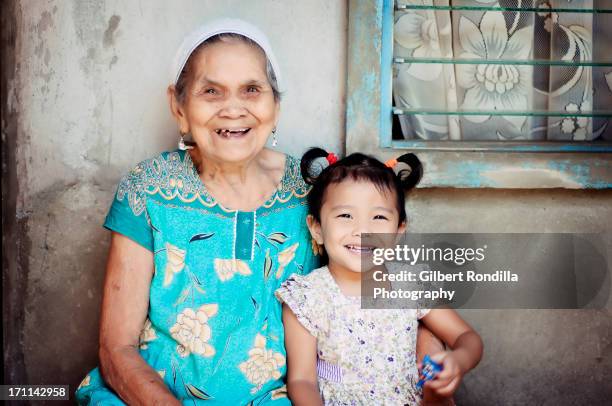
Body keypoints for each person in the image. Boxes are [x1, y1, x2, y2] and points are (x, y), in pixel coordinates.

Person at [75, 19, 319, 405]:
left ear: (276, 104)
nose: (233, 109)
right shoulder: (148, 189)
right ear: (179, 106)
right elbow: (116, 347)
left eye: (252, 90)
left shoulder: (316, 187)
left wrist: (447, 349)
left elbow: (388, 292)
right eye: (211, 92)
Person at [276, 148, 483, 405]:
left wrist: (457, 361)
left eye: (378, 217)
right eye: (345, 215)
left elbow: (467, 338)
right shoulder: (308, 298)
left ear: (398, 231)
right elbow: (302, 381)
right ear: (316, 228)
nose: (363, 230)